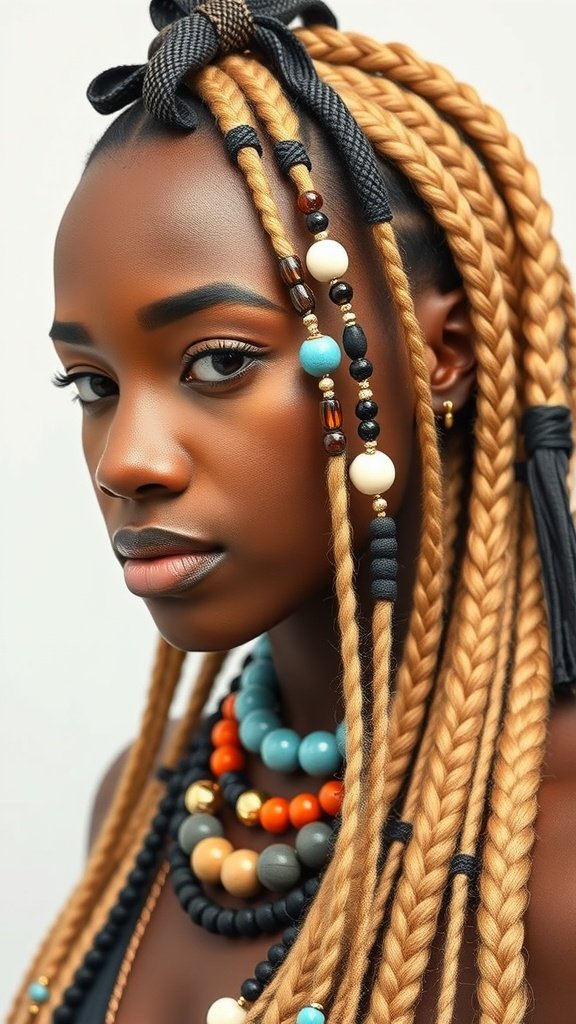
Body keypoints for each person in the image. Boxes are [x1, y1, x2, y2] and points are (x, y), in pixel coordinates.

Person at [8, 1, 576, 1022]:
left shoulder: (556, 860)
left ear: (442, 353)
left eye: (219, 361)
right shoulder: (137, 812)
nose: (126, 461)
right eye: (92, 383)